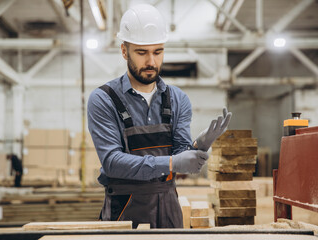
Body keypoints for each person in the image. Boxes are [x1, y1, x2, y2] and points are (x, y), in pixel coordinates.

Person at [87, 4, 232, 229]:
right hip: (124, 209)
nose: (152, 62)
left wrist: (196, 148)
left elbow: (181, 155)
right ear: (124, 51)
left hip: (169, 206)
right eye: (142, 52)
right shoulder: (104, 99)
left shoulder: (177, 99)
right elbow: (113, 162)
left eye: (158, 51)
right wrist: (173, 162)